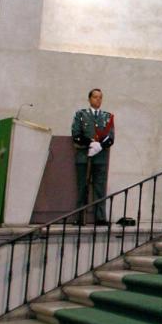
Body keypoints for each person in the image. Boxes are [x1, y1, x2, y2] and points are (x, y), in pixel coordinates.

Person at [70, 88, 114, 225]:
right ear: (89, 99)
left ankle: (100, 218)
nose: (98, 100)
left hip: (100, 158)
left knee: (100, 188)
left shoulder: (107, 116)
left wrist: (100, 146)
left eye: (100, 97)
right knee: (82, 187)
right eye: (95, 97)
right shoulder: (81, 115)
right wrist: (90, 143)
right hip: (84, 157)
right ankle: (79, 217)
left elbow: (111, 138)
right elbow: (76, 135)